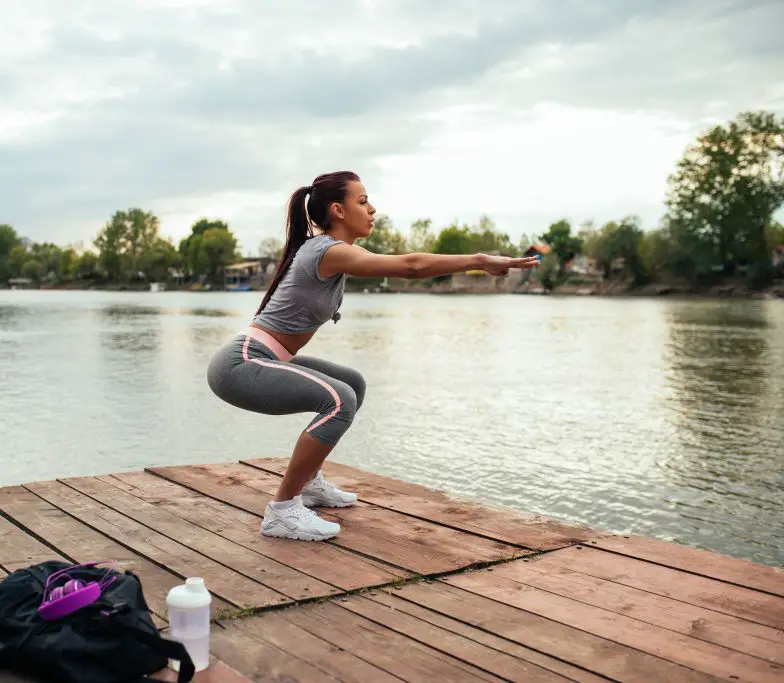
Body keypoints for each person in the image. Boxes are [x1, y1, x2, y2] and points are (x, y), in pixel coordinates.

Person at [206, 171, 539, 541]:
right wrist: (478, 259)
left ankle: (310, 485)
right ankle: (282, 511)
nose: (372, 208)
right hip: (242, 364)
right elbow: (413, 266)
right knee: (339, 400)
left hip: (265, 358)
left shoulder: (338, 252)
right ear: (339, 210)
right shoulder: (325, 251)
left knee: (352, 384)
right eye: (363, 201)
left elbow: (410, 264)